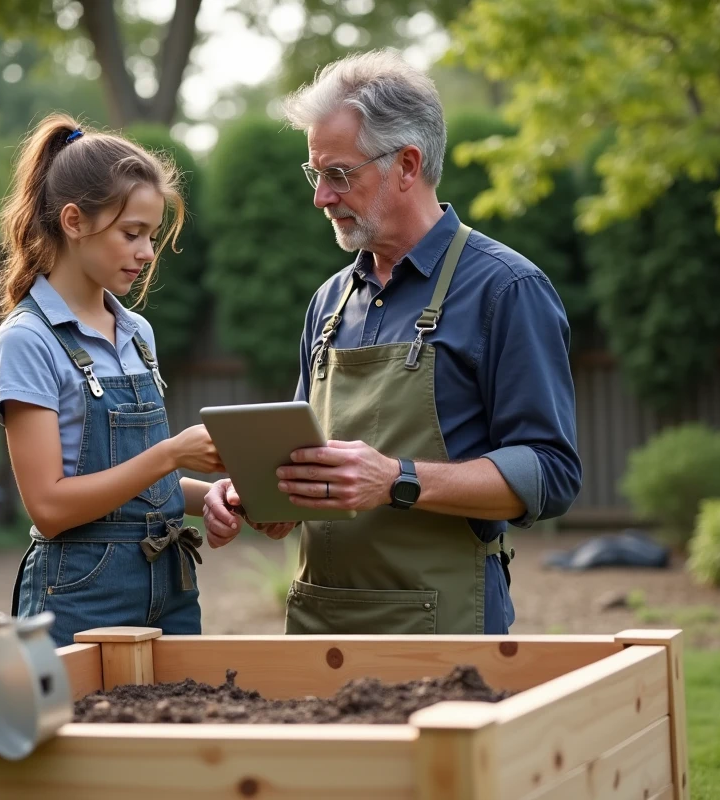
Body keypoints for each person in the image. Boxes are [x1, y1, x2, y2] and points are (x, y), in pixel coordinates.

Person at [202, 51, 582, 636]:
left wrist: (399, 479)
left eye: (339, 174)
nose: (321, 198)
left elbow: (549, 472)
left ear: (407, 165)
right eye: (316, 174)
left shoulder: (507, 290)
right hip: (316, 631)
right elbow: (301, 475)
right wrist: (256, 499)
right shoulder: (328, 303)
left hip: (445, 634)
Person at [0, 114, 229, 648]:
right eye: (131, 233)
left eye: (152, 236)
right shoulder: (27, 340)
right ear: (74, 221)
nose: (146, 252)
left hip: (171, 583)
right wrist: (170, 454)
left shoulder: (137, 332)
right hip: (80, 592)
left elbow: (134, 494)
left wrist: (210, 495)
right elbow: (50, 508)